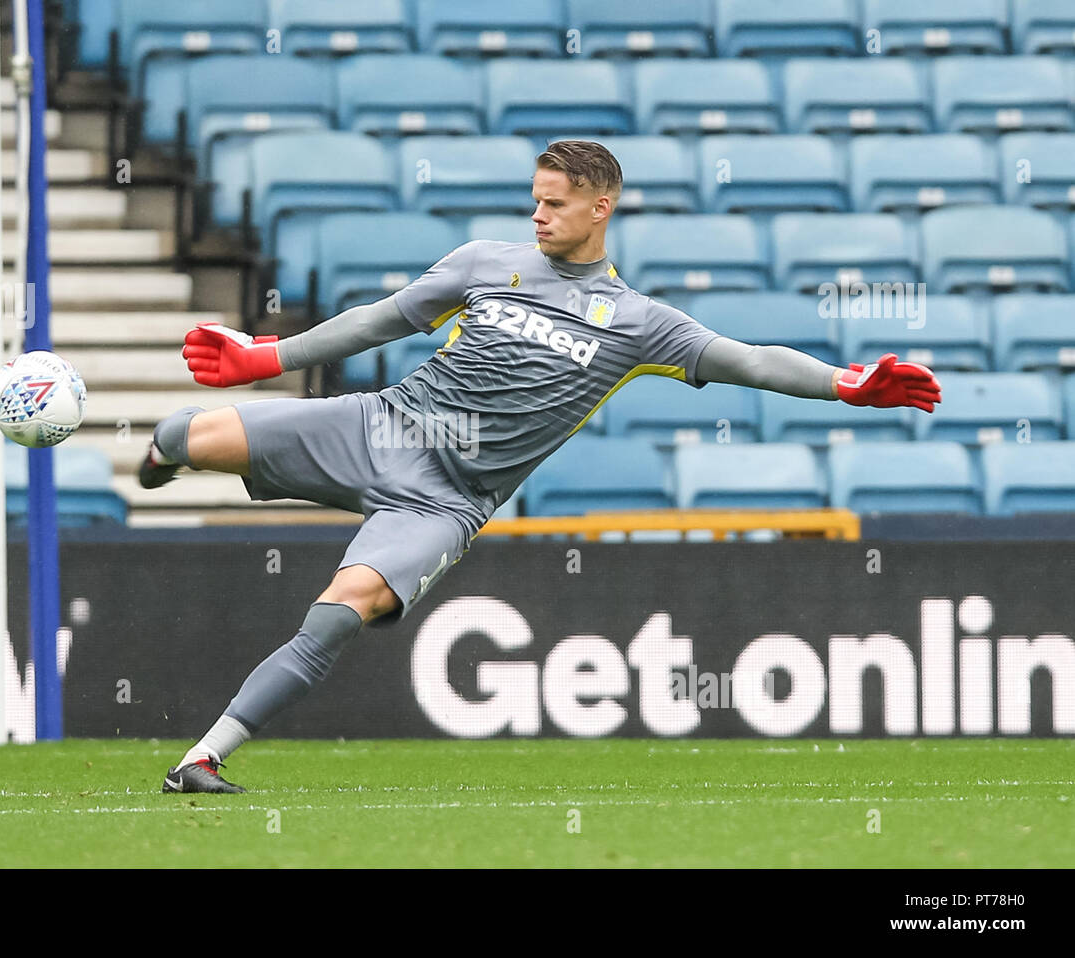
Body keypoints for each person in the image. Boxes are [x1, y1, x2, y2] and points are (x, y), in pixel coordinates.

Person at [141, 140, 942, 794]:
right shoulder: (486, 263)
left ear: (602, 206)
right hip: (377, 426)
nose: (539, 214)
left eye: (555, 202)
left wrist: (846, 386)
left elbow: (752, 360)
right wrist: (267, 355)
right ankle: (157, 459)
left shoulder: (639, 325)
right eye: (535, 198)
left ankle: (204, 757)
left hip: (444, 504)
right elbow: (379, 321)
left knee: (340, 611)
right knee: (187, 433)